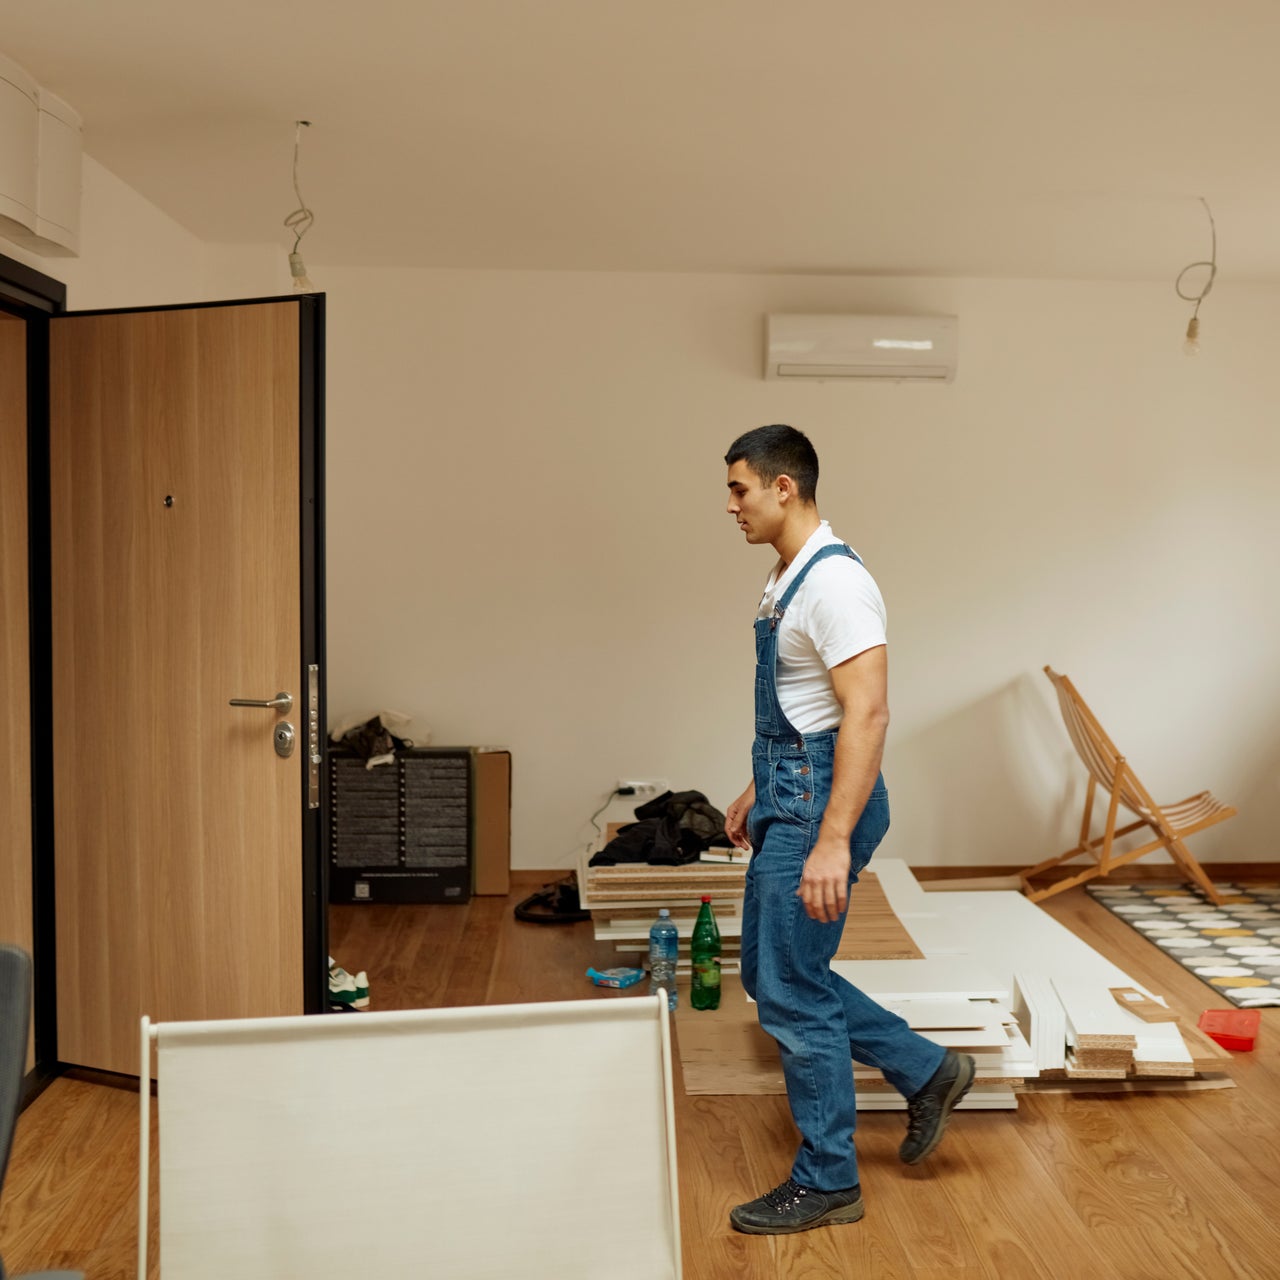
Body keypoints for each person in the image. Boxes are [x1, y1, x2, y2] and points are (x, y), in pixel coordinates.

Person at [721, 423, 974, 1236]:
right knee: (775, 978)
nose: (732, 505)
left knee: (792, 990)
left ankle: (829, 1178)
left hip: (817, 812)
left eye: (740, 489)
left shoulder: (835, 584)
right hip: (789, 795)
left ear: (783, 487)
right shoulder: (785, 578)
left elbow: (868, 713)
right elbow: (812, 713)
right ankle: (927, 1068)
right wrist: (752, 788)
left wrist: (831, 840)